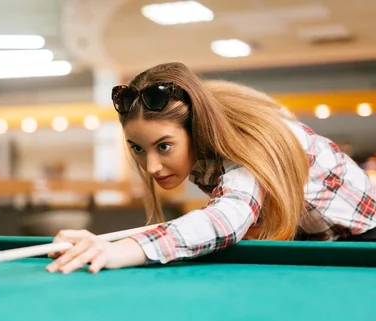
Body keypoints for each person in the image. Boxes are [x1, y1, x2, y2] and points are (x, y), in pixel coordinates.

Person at [46, 62, 376, 274]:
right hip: (317, 245)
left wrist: (119, 252)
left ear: (197, 128)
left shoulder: (247, 142)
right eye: (137, 147)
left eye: (163, 146)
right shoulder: (202, 143)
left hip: (364, 243)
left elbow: (227, 219)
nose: (151, 165)